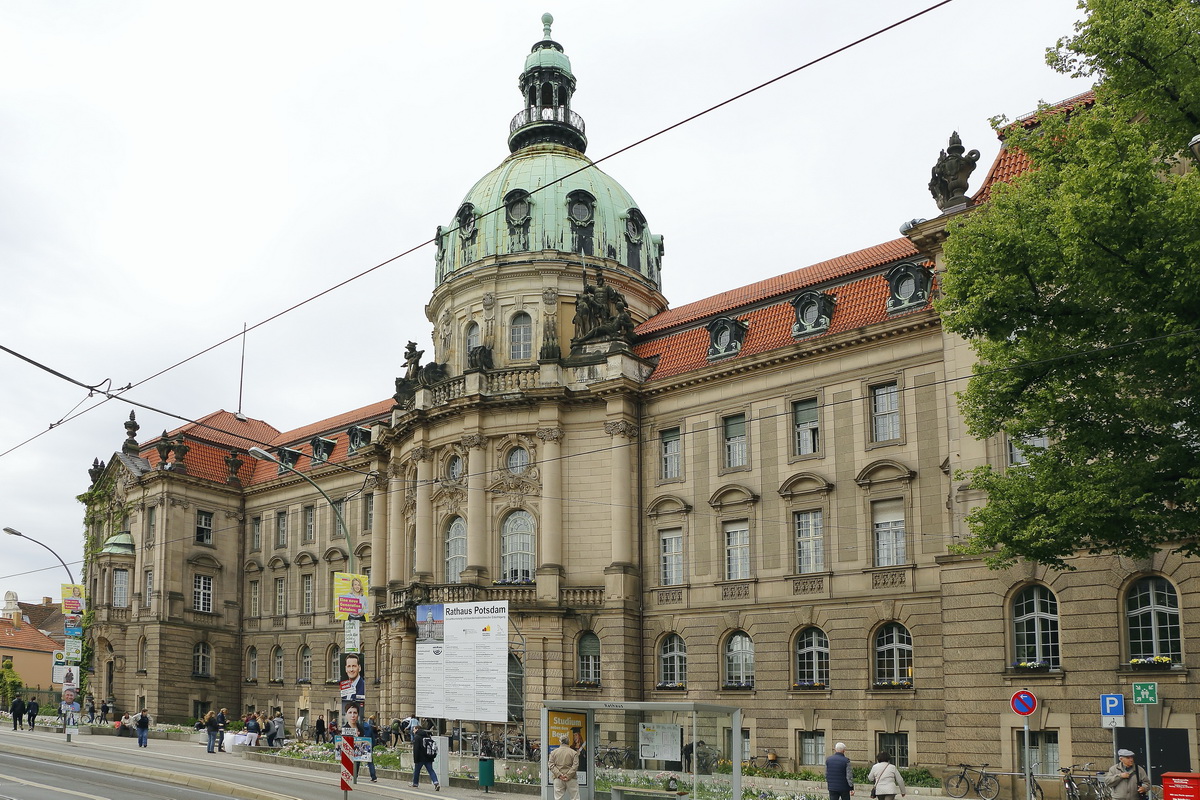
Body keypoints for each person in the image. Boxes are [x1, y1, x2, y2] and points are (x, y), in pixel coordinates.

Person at [344, 705, 378, 783]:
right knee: (370, 762)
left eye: (355, 713)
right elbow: (372, 736)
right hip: (367, 745)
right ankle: (373, 776)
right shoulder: (368, 727)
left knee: (357, 761)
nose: (353, 715)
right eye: (350, 712)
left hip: (359, 745)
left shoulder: (360, 727)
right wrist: (372, 745)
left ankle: (355, 775)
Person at [410, 720, 441, 790]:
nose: (413, 731)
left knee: (417, 771)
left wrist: (415, 759)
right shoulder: (427, 736)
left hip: (420, 758)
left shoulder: (417, 737)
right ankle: (436, 782)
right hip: (428, 758)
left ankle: (415, 784)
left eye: (414, 729)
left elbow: (416, 749)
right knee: (431, 770)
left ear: (417, 729)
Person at [549, 734, 581, 800]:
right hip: (571, 779)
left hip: (558, 779)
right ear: (568, 741)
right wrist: (568, 775)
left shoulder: (553, 752)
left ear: (560, 741)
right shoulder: (574, 753)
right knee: (575, 797)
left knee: (558, 798)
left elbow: (551, 765)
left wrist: (559, 775)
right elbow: (575, 766)